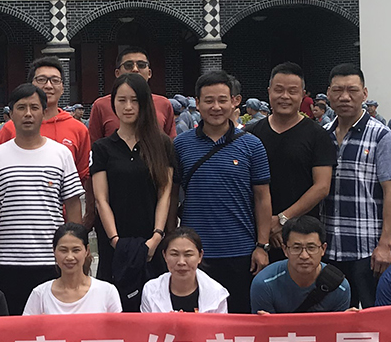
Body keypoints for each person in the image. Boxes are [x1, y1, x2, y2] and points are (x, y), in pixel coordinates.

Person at [0, 82, 85, 314]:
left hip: (52, 260)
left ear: (44, 112)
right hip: (9, 261)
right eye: (21, 107)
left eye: (34, 108)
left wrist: (75, 251)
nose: (28, 114)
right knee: (13, 325)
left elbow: (73, 204)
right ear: (10, 114)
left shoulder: (61, 154)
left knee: (54, 323)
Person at [174, 71, 272, 314]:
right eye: (208, 101)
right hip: (195, 253)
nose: (216, 107)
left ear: (234, 101)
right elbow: (171, 196)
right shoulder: (181, 145)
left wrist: (262, 245)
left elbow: (262, 198)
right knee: (197, 321)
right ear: (197, 103)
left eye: (222, 100)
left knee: (239, 320)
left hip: (241, 251)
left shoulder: (252, 145)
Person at [90, 73, 175, 312]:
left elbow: (165, 193)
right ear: (113, 103)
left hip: (151, 237)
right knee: (115, 304)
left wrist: (157, 236)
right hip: (114, 240)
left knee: (154, 303)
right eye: (122, 100)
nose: (128, 107)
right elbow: (101, 199)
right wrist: (115, 240)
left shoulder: (162, 144)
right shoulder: (103, 148)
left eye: (135, 100)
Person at [324, 63, 391, 308]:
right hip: (328, 248)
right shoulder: (322, 134)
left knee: (371, 316)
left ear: (365, 94)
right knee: (334, 318)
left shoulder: (381, 135)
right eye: (338, 90)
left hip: (366, 248)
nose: (344, 97)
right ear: (328, 94)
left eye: (352, 90)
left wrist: (385, 244)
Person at [251, 63, 335, 260]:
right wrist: (265, 226)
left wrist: (282, 220)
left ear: (303, 95)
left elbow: (322, 187)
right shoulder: (251, 134)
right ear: (269, 91)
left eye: (292, 91)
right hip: (257, 236)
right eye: (279, 90)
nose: (285, 96)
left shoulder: (318, 135)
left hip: (303, 236)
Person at [0, 57, 93, 196]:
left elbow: (82, 175)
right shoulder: (10, 128)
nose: (48, 86)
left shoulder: (78, 129)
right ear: (31, 84)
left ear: (63, 88)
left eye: (55, 80)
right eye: (41, 80)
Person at [250, 216, 351, 313]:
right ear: (285, 250)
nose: (304, 256)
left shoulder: (339, 287)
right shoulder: (264, 284)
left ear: (323, 249)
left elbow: (338, 325)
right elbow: (264, 325)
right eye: (296, 248)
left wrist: (350, 321)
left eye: (311, 248)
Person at [24, 224, 124, 315]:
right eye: (63, 250)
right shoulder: (40, 294)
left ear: (87, 251)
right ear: (54, 251)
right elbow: (26, 328)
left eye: (76, 250)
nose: (70, 257)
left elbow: (118, 327)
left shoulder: (107, 291)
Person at [86, 45, 178, 140]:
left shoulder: (164, 104)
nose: (135, 69)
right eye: (128, 65)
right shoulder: (101, 106)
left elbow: (170, 143)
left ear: (149, 73)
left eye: (141, 65)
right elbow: (93, 143)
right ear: (117, 73)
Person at [141, 226, 229, 313]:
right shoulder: (150, 290)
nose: (181, 262)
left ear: (200, 256)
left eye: (188, 255)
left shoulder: (217, 293)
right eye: (174, 254)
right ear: (164, 255)